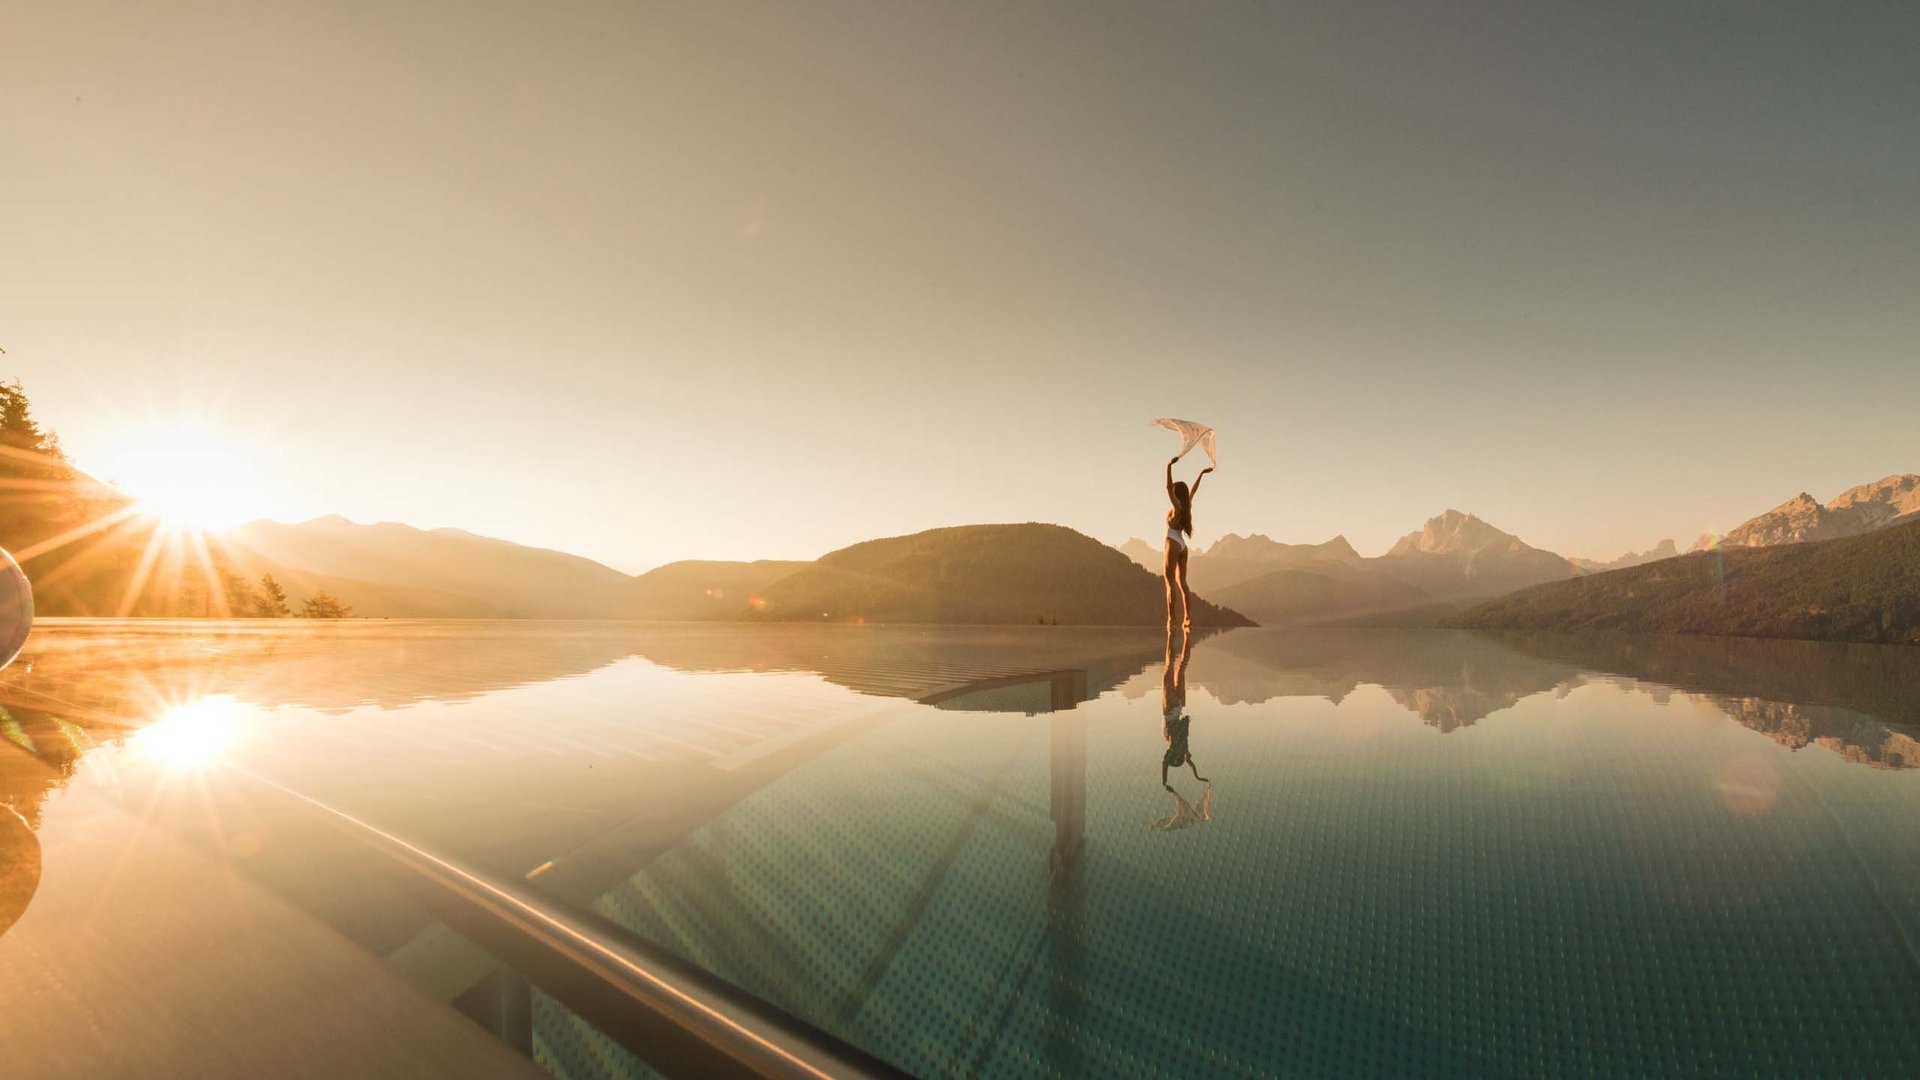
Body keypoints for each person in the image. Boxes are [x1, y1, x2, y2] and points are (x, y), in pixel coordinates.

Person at [1164, 456, 1214, 630]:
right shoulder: (1186, 506)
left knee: (1169, 583)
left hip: (1172, 542)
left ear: (1177, 494)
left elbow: (1168, 488)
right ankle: (1188, 618)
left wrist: (1169, 466)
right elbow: (1194, 490)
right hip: (1183, 546)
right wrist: (1201, 473)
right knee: (1182, 583)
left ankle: (1172, 620)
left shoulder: (1177, 507)